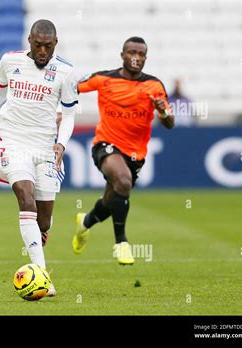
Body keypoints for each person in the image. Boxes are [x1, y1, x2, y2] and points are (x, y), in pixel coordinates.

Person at [0, 19, 78, 296]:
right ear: (29, 41)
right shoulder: (10, 61)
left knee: (43, 222)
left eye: (48, 46)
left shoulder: (66, 72)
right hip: (13, 140)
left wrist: (61, 144)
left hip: (45, 146)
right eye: (38, 45)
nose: (43, 51)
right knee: (26, 197)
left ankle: (34, 227)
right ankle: (43, 276)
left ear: (55, 43)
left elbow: (68, 114)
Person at [72, 37, 175, 265]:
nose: (136, 57)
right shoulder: (104, 79)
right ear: (122, 55)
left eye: (141, 54)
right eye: (131, 52)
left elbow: (170, 123)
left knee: (113, 200)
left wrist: (164, 113)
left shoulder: (154, 86)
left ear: (146, 58)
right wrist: (60, 112)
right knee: (123, 180)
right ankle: (121, 243)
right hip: (105, 144)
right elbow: (71, 88)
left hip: (135, 155)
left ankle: (84, 224)